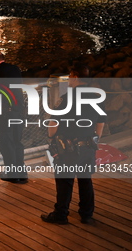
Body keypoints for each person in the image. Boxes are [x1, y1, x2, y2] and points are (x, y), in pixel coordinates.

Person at [41, 63, 107, 224]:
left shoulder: (66, 98)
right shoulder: (97, 96)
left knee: (65, 181)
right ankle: (86, 214)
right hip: (88, 145)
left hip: (68, 148)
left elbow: (53, 124)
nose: (69, 79)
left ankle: (61, 214)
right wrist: (94, 140)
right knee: (86, 180)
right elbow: (100, 123)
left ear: (75, 77)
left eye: (70, 76)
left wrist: (52, 138)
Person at [0, 51, 27, 184]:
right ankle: (22, 173)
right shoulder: (15, 69)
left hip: (5, 113)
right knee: (17, 142)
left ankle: (12, 174)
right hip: (18, 111)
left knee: (6, 143)